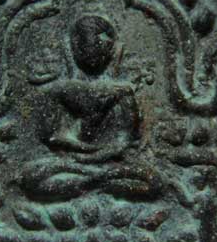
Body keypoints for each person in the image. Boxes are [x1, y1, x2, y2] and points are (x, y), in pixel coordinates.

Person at [19, 14, 161, 201]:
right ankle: (98, 184)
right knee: (31, 177)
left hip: (108, 162)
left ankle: (90, 184)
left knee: (153, 181)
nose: (92, 54)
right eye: (85, 47)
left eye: (99, 47)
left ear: (110, 49)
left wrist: (98, 156)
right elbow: (50, 136)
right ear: (73, 47)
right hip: (70, 163)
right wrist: (81, 151)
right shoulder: (57, 90)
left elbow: (124, 141)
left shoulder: (123, 92)